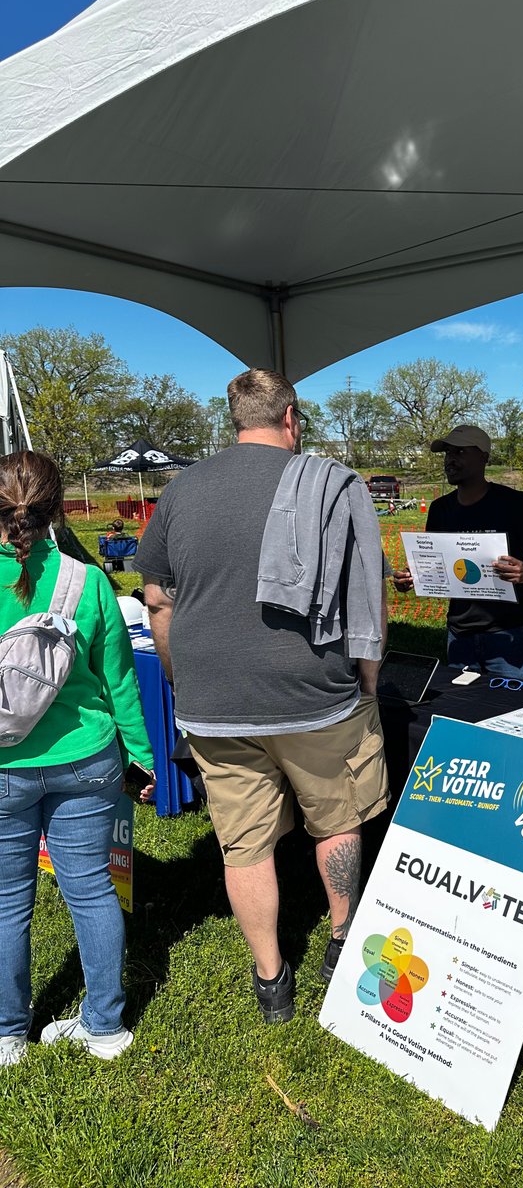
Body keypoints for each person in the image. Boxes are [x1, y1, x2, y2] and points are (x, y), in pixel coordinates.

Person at [134, 368, 389, 1024]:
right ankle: (338, 942)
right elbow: (368, 597)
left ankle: (271, 979)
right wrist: (367, 680)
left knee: (242, 843)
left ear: (234, 419)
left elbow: (158, 600)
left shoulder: (181, 490)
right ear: (292, 419)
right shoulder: (334, 486)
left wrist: (176, 675)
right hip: (319, 692)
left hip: (212, 699)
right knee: (336, 819)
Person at [0, 451, 155, 1067]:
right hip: (88, 758)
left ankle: (8, 1033)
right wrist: (142, 761)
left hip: (4, 765)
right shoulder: (88, 582)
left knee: (8, 900)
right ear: (58, 508)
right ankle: (105, 1028)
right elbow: (120, 684)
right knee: (90, 890)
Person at [393, 425, 523, 681]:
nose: (450, 460)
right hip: (459, 634)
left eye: (459, 452)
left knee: (513, 709)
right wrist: (412, 577)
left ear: (484, 457)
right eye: (447, 453)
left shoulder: (516, 504)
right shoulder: (440, 509)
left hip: (510, 635)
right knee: (463, 709)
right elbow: (436, 566)